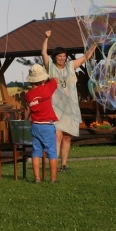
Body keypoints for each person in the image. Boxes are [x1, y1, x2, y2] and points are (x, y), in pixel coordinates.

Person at [42, 30, 97, 172]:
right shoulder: (51, 68)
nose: (62, 58)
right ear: (54, 57)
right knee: (57, 136)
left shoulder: (70, 66)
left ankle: (63, 165)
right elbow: (43, 54)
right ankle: (53, 164)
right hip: (56, 108)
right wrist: (46, 38)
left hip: (70, 108)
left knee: (67, 138)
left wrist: (95, 43)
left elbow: (86, 57)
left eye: (64, 56)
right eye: (59, 56)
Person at [24, 64, 59, 183]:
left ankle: (37, 178)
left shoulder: (28, 95)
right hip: (47, 126)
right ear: (42, 79)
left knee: (36, 152)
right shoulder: (47, 88)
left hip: (35, 126)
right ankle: (53, 178)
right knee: (52, 152)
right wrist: (48, 79)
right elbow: (55, 80)